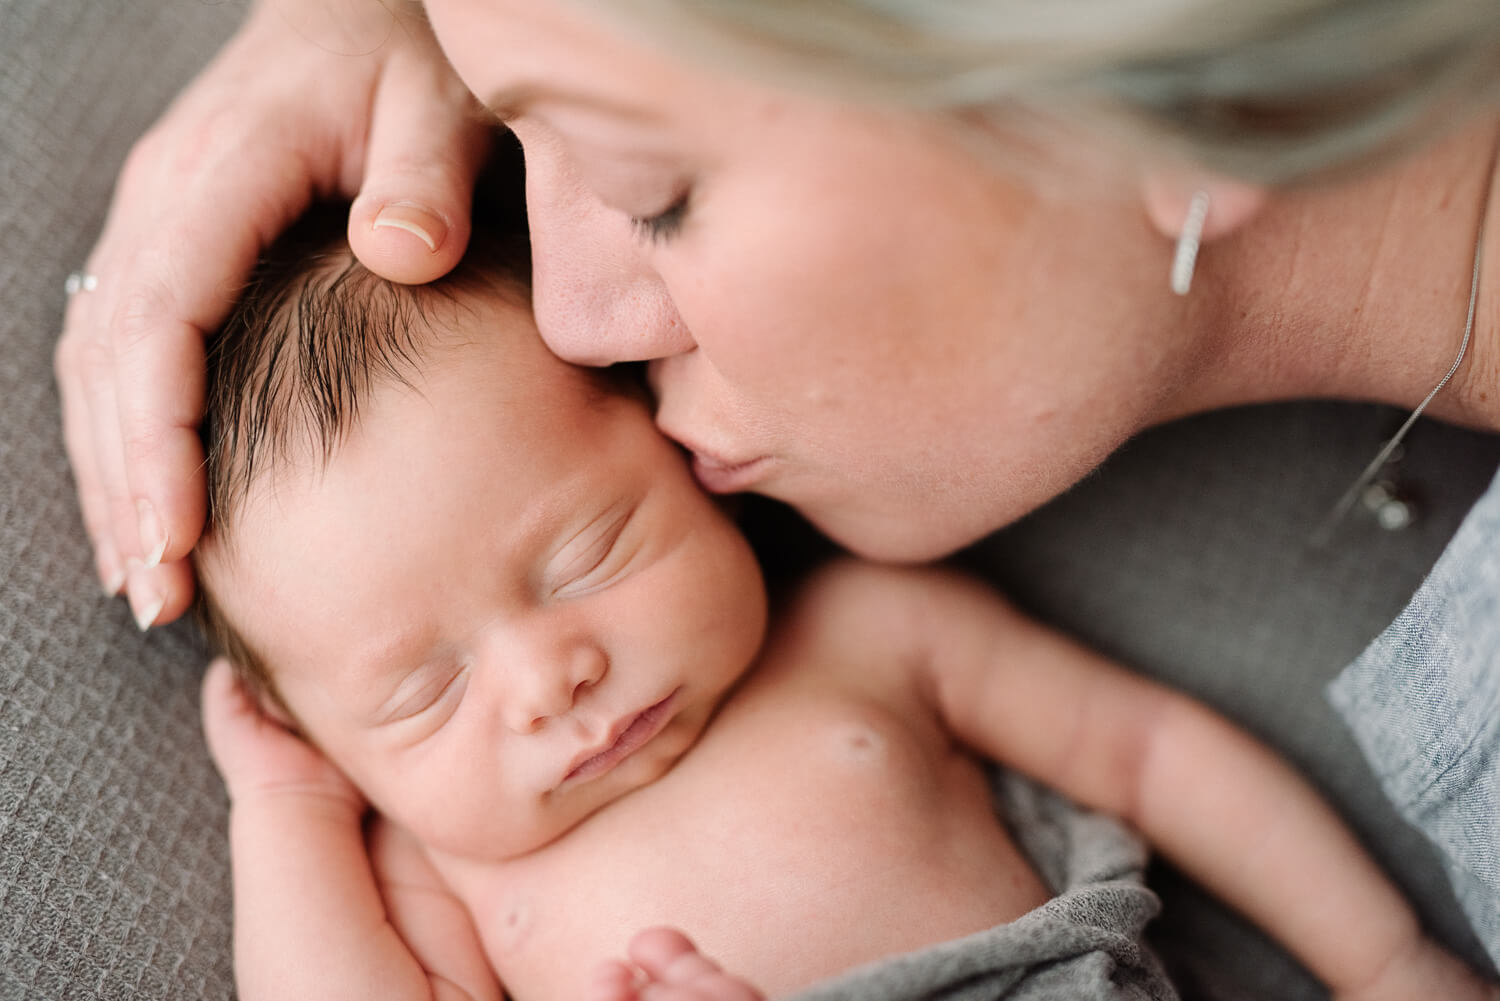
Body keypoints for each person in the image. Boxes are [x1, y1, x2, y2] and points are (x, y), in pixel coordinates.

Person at [50, 0, 1500, 991]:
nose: (572, 325)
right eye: (515, 142)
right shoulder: (439, 855)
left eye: (648, 184)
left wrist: (1379, 961)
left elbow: (1147, 752)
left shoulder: (866, 632)